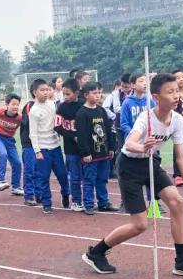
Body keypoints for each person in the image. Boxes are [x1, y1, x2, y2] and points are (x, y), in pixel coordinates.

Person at [82, 73, 183, 278]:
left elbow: (181, 157)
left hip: (151, 163)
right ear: (156, 97)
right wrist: (142, 146)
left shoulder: (177, 120)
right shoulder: (146, 117)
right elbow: (129, 143)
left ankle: (182, 262)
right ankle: (96, 253)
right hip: (129, 165)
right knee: (139, 225)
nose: (176, 96)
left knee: (177, 202)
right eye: (170, 92)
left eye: (177, 91)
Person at [75, 81, 119, 215]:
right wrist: (85, 153)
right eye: (95, 93)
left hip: (103, 153)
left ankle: (103, 203)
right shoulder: (82, 113)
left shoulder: (101, 110)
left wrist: (111, 147)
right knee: (89, 179)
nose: (98, 95)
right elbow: (81, 135)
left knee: (102, 179)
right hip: (91, 155)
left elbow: (108, 130)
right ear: (86, 95)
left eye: (99, 92)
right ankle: (88, 204)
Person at [29, 78, 69, 214]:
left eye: (47, 89)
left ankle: (65, 194)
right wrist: (37, 151)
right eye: (42, 90)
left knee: (63, 175)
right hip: (43, 149)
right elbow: (32, 133)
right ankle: (47, 203)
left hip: (55, 147)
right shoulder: (34, 111)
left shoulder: (52, 105)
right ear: (35, 92)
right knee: (44, 177)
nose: (45, 92)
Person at [55, 79, 84, 211]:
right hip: (70, 149)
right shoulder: (61, 107)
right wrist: (73, 137)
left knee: (87, 176)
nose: (65, 97)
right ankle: (76, 201)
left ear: (76, 93)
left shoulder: (83, 105)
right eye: (63, 94)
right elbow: (57, 126)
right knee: (75, 176)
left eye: (68, 94)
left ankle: (88, 200)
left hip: (86, 148)